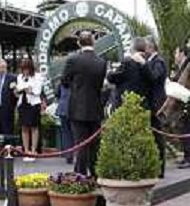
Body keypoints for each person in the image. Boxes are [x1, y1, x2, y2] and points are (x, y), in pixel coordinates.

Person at [62, 31, 107, 176]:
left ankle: (80, 176)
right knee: (94, 145)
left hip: (77, 109)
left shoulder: (73, 60)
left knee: (80, 144)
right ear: (93, 42)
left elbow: (64, 81)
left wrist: (75, 86)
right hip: (95, 108)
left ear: (78, 43)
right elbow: (100, 85)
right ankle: (95, 175)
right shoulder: (101, 62)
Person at [139, 36, 168, 178]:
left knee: (158, 137)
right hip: (150, 104)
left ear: (151, 47)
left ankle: (160, 168)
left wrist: (143, 65)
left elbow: (154, 77)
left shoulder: (159, 62)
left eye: (146, 47)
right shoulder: (152, 61)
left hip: (157, 105)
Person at [107, 37, 151, 110]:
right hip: (143, 107)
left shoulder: (128, 63)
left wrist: (109, 72)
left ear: (132, 49)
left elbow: (112, 78)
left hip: (127, 105)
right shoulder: (147, 63)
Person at [173, 46, 190, 169]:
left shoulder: (188, 67)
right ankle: (187, 156)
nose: (174, 55)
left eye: (176, 53)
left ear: (182, 53)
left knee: (189, 129)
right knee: (184, 129)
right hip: (182, 103)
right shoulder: (182, 67)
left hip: (187, 103)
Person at [14, 58, 43, 163]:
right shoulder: (19, 77)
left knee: (34, 127)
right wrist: (17, 91)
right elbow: (18, 90)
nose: (25, 71)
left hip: (33, 104)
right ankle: (26, 150)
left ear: (30, 68)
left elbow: (37, 91)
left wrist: (28, 89)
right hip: (23, 105)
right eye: (23, 69)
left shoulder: (37, 76)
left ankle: (33, 151)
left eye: (27, 69)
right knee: (24, 128)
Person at [55, 81, 74, 164]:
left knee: (66, 133)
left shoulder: (61, 82)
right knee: (76, 132)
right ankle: (76, 154)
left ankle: (68, 154)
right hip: (75, 109)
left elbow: (57, 94)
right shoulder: (77, 81)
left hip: (63, 108)